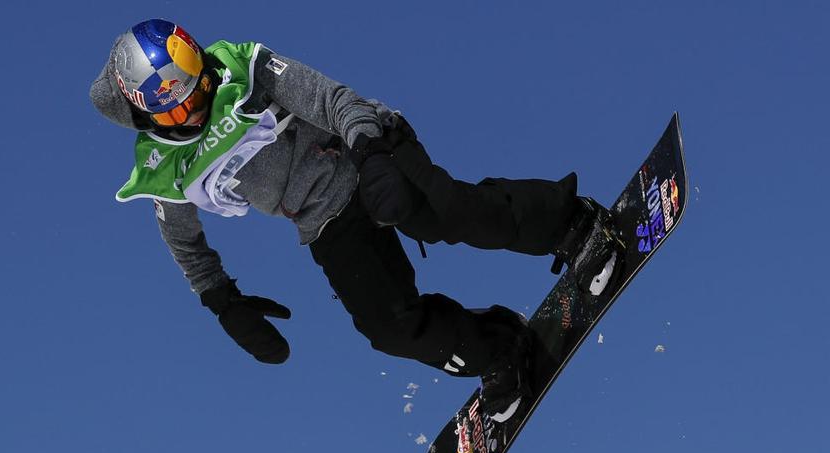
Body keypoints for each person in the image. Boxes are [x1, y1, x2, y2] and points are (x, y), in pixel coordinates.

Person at [89, 19, 621, 422]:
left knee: (447, 214)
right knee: (388, 327)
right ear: (148, 115)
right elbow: (186, 245)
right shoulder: (165, 169)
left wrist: (372, 155)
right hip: (323, 216)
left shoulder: (241, 68)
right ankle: (500, 348)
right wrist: (223, 301)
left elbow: (330, 97)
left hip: (363, 150)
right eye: (180, 111)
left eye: (199, 87)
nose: (198, 108)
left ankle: (573, 224)